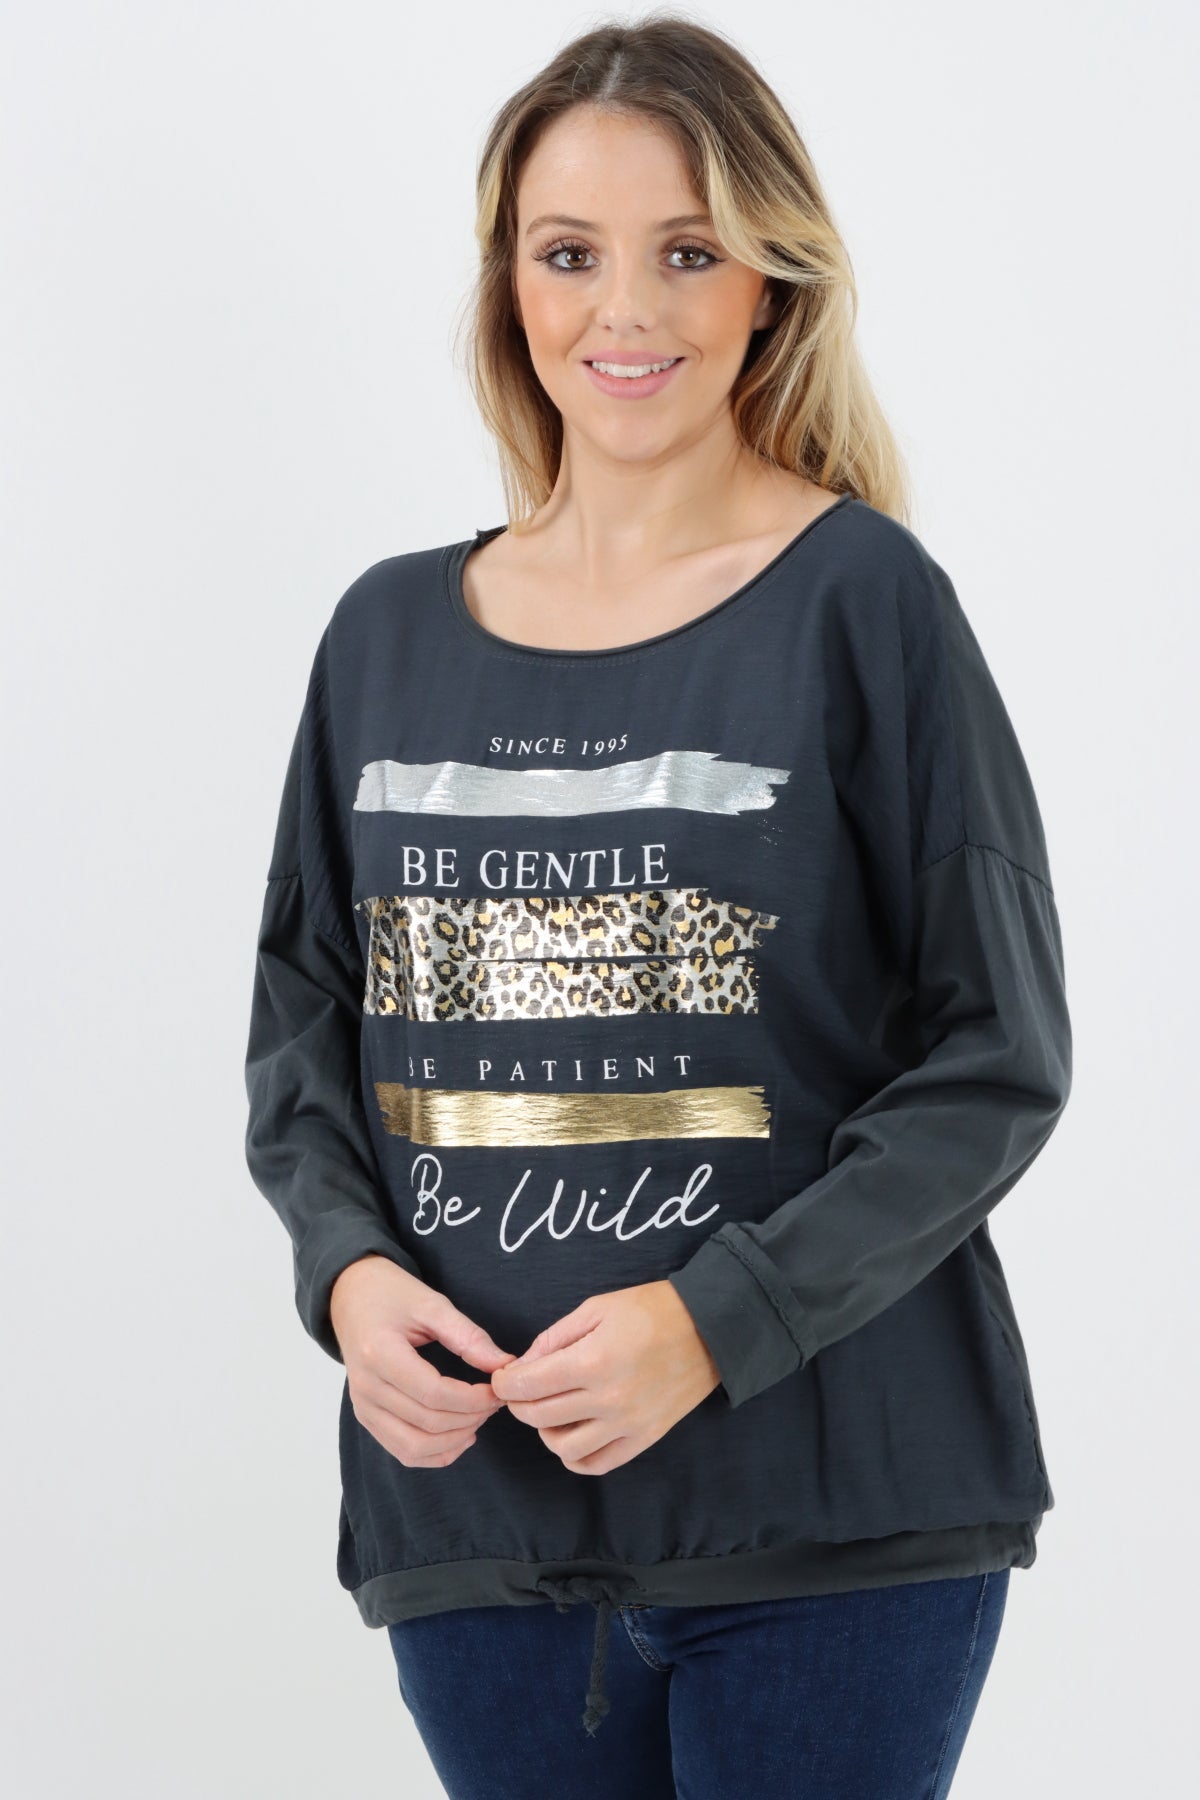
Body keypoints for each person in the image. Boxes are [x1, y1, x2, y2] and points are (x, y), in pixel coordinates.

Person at [242, 14, 1073, 1798]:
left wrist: (715, 1322)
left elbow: (997, 1058)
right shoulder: (382, 637)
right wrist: (351, 1279)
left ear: (769, 283)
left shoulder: (864, 603)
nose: (625, 310)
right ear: (509, 285)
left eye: (687, 252)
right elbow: (303, 1029)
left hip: (831, 1530)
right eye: (571, 254)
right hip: (477, 1540)